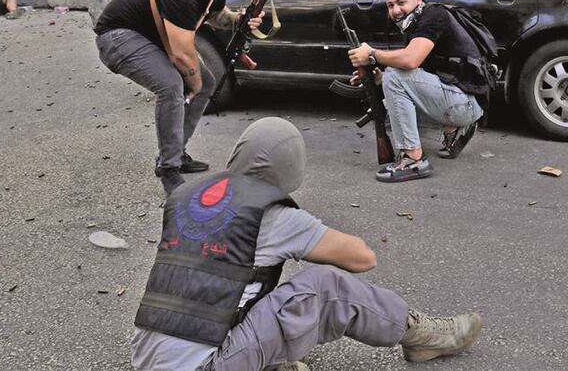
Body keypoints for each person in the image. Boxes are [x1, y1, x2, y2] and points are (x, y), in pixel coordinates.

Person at [130, 117, 483, 371]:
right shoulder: (272, 216)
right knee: (327, 288)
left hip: (146, 358)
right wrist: (304, 234)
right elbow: (363, 258)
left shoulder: (186, 198)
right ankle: (421, 334)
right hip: (205, 365)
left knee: (243, 283)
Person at [94, 0, 263, 194]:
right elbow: (182, 55)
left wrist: (240, 19)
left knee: (206, 83)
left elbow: (217, 16)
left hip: (148, 37)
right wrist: (193, 82)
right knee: (172, 86)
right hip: (117, 37)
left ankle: (176, 152)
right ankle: (169, 169)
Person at [346, 0, 485, 183]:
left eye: (401, 2)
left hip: (466, 102)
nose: (395, 10)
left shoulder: (434, 15)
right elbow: (418, 73)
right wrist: (378, 78)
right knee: (387, 109)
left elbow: (410, 60)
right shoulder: (414, 22)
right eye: (390, 5)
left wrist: (372, 54)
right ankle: (453, 129)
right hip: (459, 95)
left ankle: (413, 159)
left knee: (394, 75)